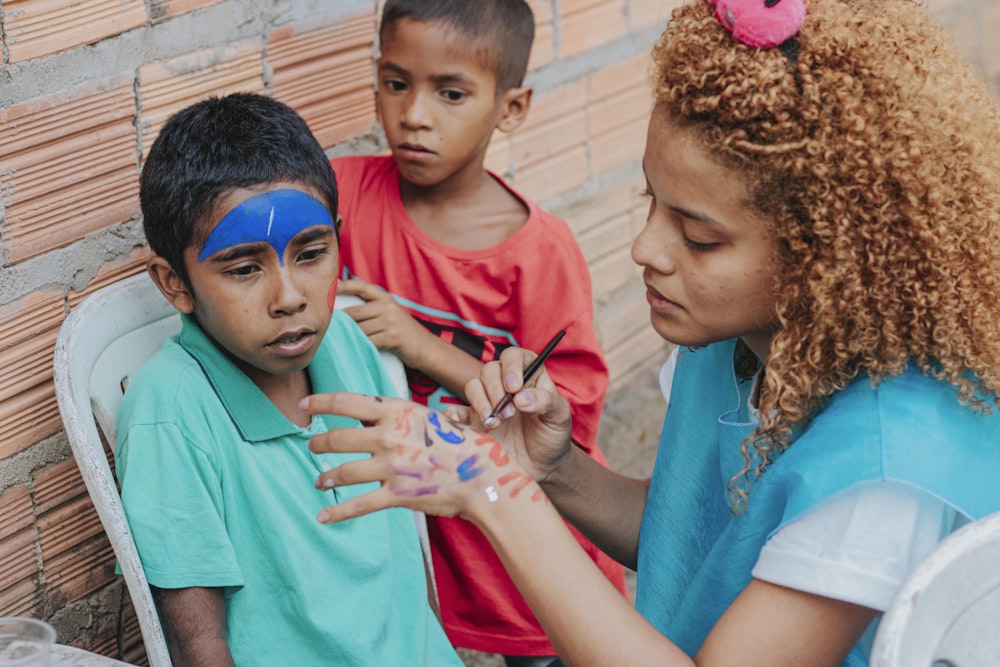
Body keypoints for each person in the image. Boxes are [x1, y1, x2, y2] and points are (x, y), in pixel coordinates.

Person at [301, 0, 1000, 664]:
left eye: (698, 237)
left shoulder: (883, 473)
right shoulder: (733, 345)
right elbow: (685, 535)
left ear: (825, 260)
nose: (646, 249)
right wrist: (550, 469)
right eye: (650, 200)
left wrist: (490, 491)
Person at [115, 92, 462, 667]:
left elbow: (403, 551)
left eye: (310, 253)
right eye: (245, 268)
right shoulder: (171, 411)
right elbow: (197, 644)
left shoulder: (347, 343)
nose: (290, 298)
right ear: (174, 283)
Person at [331, 0, 629, 663]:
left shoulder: (536, 251)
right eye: (395, 81)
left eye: (452, 92)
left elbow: (563, 421)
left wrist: (420, 347)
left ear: (511, 107)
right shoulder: (344, 196)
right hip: (414, 528)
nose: (414, 115)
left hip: (514, 538)